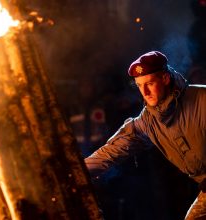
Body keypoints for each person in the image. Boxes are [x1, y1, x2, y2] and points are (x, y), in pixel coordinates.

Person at [85, 51, 206, 220]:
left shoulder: (202, 99)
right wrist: (76, 172)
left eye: (149, 83)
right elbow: (111, 151)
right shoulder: (147, 122)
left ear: (165, 78)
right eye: (139, 85)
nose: (145, 92)